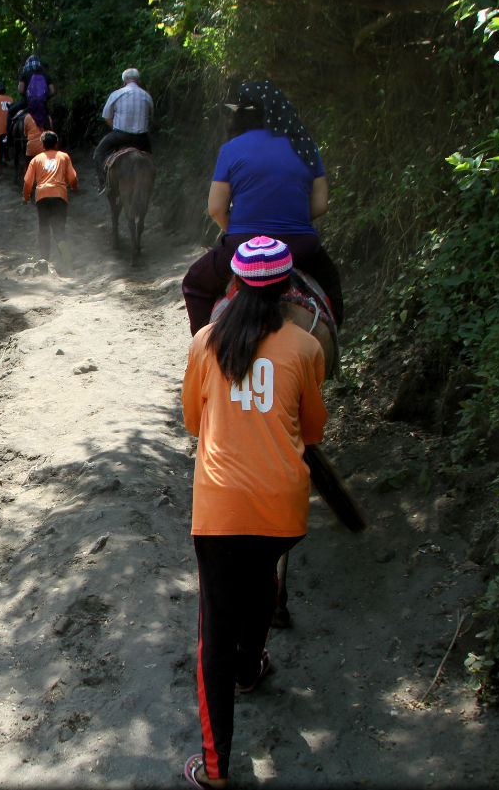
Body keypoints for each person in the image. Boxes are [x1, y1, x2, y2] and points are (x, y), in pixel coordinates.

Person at [181, 236, 328, 790]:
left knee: (211, 635)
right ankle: (251, 666)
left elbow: (195, 423)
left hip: (219, 510)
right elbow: (312, 431)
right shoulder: (306, 348)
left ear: (235, 283)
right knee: (263, 576)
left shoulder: (204, 343)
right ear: (290, 288)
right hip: (282, 509)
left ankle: (215, 770)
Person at [181, 81, 343, 335]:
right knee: (331, 289)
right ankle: (333, 358)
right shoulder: (305, 146)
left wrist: (238, 233)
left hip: (244, 246)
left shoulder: (231, 150)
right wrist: (292, 219)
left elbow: (215, 208)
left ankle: (203, 359)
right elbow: (321, 204)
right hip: (299, 248)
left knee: (195, 283)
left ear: (244, 115)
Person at [93, 67, 154, 193]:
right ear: (138, 81)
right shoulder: (147, 96)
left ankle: (103, 184)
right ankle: (151, 184)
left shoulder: (116, 94)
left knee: (98, 153)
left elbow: (107, 117)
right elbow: (150, 117)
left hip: (120, 135)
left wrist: (116, 128)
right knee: (151, 160)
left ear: (124, 81)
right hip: (141, 138)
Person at [22, 130, 78, 265]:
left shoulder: (36, 160)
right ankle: (65, 259)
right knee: (59, 229)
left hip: (42, 196)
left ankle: (44, 260)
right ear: (56, 144)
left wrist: (26, 197)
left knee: (43, 228)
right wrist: (75, 188)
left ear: (42, 145)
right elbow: (73, 178)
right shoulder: (64, 157)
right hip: (60, 195)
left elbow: (28, 182)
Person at [9, 54, 54, 133]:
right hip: (42, 103)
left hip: (27, 102)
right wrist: (44, 98)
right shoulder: (45, 74)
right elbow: (52, 91)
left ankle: (7, 137)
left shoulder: (24, 73)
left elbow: (21, 90)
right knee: (49, 118)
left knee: (10, 112)